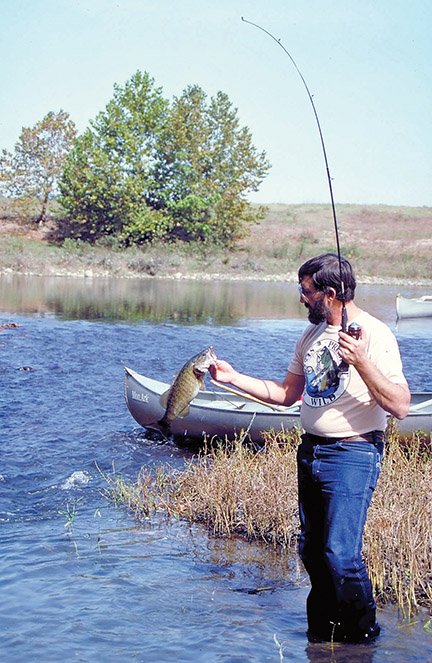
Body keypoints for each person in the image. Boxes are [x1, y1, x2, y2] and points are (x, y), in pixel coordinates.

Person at [210, 253, 410, 644]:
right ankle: (321, 637)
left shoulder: (376, 333)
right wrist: (233, 378)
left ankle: (363, 637)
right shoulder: (311, 336)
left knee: (341, 554)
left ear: (330, 293)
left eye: (306, 291)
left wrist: (362, 361)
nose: (301, 298)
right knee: (312, 552)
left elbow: (399, 405)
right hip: (311, 452)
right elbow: (286, 395)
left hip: (353, 455)